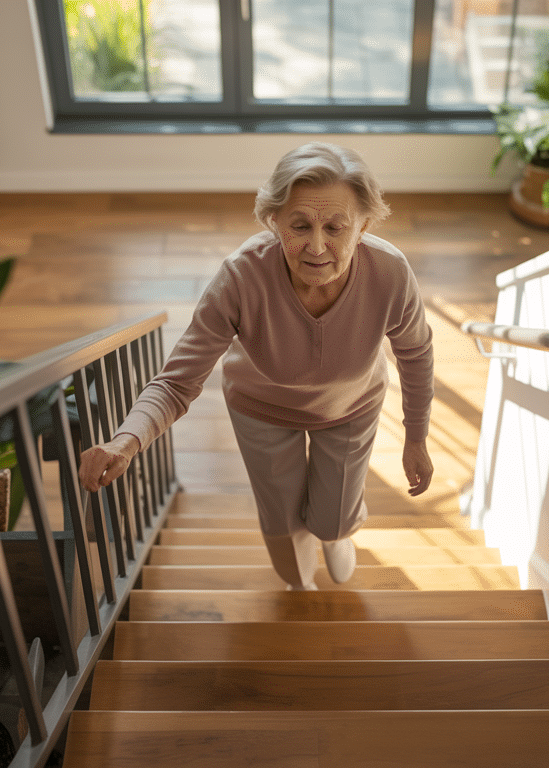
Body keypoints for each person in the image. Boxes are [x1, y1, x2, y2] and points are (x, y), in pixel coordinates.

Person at [78, 142, 434, 590]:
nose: (317, 246)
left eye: (336, 228)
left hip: (352, 406)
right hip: (261, 407)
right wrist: (126, 442)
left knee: (335, 515)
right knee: (282, 520)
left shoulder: (391, 273)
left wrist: (416, 435)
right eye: (299, 225)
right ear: (274, 222)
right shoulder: (242, 276)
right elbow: (177, 382)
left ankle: (336, 532)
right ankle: (298, 574)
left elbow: (416, 353)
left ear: (362, 228)